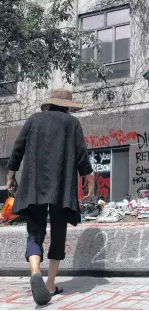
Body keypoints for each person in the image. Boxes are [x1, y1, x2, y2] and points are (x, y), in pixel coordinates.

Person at [6, 88, 94, 305]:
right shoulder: (71, 123)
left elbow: (18, 148)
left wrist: (10, 174)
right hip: (61, 187)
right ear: (66, 106)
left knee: (35, 231)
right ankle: (50, 284)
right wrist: (89, 177)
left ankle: (35, 270)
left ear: (49, 104)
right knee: (58, 234)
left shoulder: (33, 120)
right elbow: (81, 154)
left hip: (34, 185)